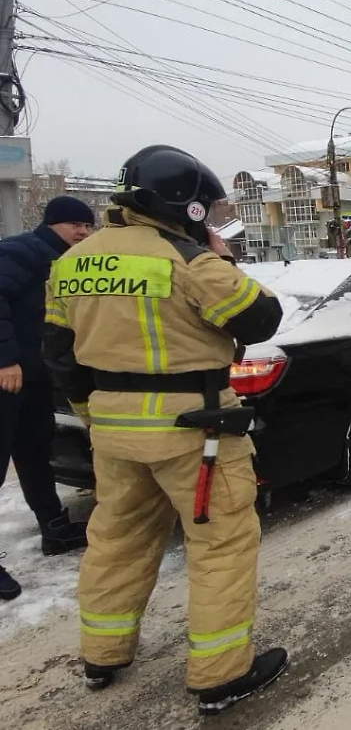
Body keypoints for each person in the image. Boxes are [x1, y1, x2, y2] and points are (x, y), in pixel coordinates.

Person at [43, 145, 287, 716]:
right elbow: (261, 318)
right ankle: (221, 673)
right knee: (220, 545)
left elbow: (59, 353)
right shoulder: (189, 260)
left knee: (117, 539)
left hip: (113, 429)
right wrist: (223, 259)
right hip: (195, 432)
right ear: (187, 206)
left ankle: (102, 654)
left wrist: (91, 413)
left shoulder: (72, 261)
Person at [0, 196, 95, 603]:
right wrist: (5, 360)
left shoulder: (68, 260)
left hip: (35, 379)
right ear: (54, 223)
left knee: (34, 451)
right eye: (76, 225)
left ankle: (54, 528)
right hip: (6, 376)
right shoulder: (21, 251)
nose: (83, 232)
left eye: (87, 226)